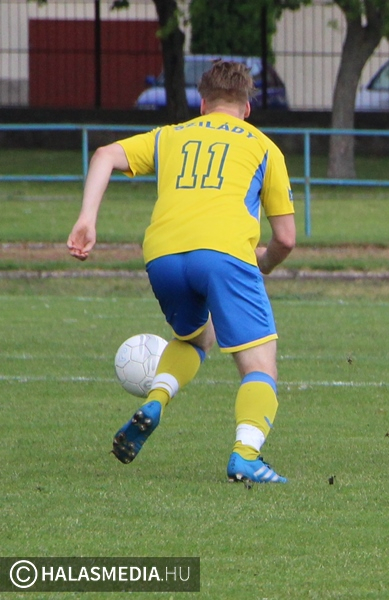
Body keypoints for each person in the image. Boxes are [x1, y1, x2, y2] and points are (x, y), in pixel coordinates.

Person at [67, 60, 295, 483]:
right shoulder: (264, 147)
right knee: (259, 366)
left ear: (202, 104)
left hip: (163, 256)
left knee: (195, 337)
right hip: (225, 253)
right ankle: (246, 456)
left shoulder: (171, 136)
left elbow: (104, 155)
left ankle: (155, 399)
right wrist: (261, 263)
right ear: (247, 108)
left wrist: (87, 219)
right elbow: (285, 238)